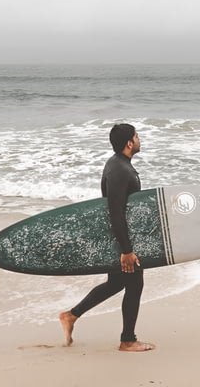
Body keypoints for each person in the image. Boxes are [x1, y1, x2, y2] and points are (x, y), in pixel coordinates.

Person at [59, 123, 155, 352]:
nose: (140, 139)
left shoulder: (119, 165)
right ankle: (128, 340)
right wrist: (126, 250)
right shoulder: (120, 170)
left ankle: (71, 316)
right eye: (137, 136)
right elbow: (116, 211)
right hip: (121, 239)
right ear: (129, 143)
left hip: (119, 236)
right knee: (134, 284)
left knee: (117, 282)